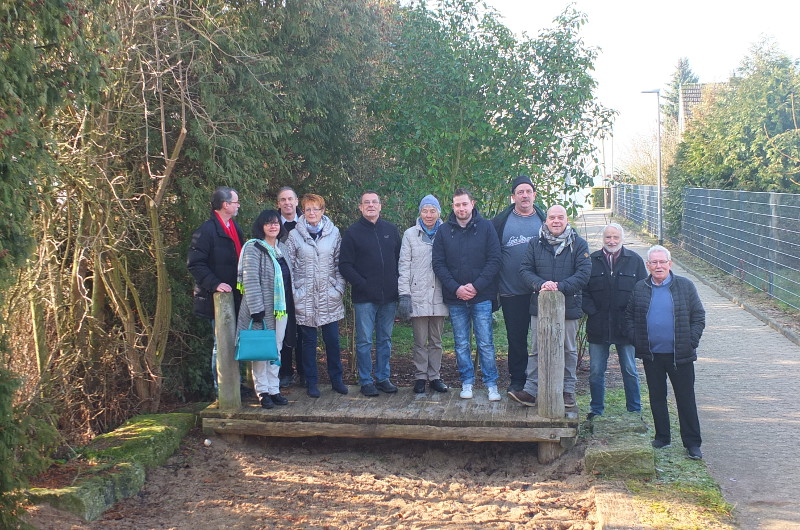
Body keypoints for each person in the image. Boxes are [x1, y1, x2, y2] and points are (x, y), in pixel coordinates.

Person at [625, 245, 706, 460]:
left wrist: (690, 341)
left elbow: (698, 316)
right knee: (657, 397)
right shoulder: (640, 288)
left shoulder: (685, 286)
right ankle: (662, 437)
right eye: (654, 262)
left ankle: (692, 443)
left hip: (680, 355)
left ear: (670, 264)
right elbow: (629, 317)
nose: (658, 266)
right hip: (652, 355)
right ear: (648, 265)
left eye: (662, 262)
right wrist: (637, 340)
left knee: (685, 398)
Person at [509, 205, 591, 409]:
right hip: (540, 305)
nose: (556, 221)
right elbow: (525, 269)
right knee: (537, 348)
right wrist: (540, 284)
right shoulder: (535, 244)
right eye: (552, 217)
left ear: (566, 220)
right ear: (545, 220)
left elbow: (584, 273)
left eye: (560, 217)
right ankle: (531, 390)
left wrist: (560, 287)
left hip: (569, 306)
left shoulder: (579, 244)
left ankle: (567, 391)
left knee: (568, 349)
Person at [432, 188, 502, 401]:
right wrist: (456, 288)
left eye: (464, 204)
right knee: (461, 343)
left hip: (481, 296)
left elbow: (494, 260)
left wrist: (476, 286)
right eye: (457, 205)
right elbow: (438, 264)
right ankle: (467, 382)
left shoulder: (486, 227)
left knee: (486, 342)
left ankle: (491, 384)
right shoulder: (444, 231)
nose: (461, 208)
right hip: (456, 298)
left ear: (472, 204)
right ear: (452, 207)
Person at [284, 194, 349, 398]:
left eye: (316, 209)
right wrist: (295, 292)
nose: (312, 213)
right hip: (305, 297)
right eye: (308, 209)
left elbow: (340, 263)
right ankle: (312, 382)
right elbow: (289, 266)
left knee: (332, 341)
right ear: (303, 211)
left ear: (323, 211)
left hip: (329, 296)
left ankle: (336, 380)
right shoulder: (294, 235)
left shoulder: (334, 233)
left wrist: (338, 287)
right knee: (308, 343)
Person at [339, 191, 402, 397]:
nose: (371, 205)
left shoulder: (391, 230)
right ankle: (366, 380)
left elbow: (399, 259)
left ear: (380, 206)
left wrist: (396, 283)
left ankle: (383, 378)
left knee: (385, 339)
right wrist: (363, 284)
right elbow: (345, 265)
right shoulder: (353, 232)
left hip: (389, 296)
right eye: (366, 202)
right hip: (364, 297)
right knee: (364, 340)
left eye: (374, 202)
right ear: (360, 207)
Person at [583, 223, 646, 420]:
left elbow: (643, 290)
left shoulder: (634, 260)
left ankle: (634, 410)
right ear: (603, 239)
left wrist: (632, 317)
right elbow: (582, 291)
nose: (611, 241)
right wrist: (592, 311)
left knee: (629, 369)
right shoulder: (591, 260)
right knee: (595, 371)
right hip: (598, 326)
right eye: (608, 237)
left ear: (622, 239)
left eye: (615, 237)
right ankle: (596, 410)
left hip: (625, 327)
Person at [491, 175, 546, 392]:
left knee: (543, 338)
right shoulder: (501, 222)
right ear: (513, 197)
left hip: (541, 292)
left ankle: (542, 380)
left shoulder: (545, 219)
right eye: (520, 192)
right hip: (511, 292)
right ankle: (517, 380)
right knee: (516, 340)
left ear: (534, 194)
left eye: (528, 191)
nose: (524, 195)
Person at [187, 186, 244, 392]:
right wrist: (215, 284)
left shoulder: (234, 228)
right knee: (220, 344)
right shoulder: (206, 231)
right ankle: (222, 390)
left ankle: (237, 384)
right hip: (215, 299)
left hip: (235, 296)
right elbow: (195, 263)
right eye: (236, 202)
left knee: (236, 342)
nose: (238, 205)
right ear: (225, 205)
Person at [236, 209, 291, 409]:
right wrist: (256, 309)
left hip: (280, 309)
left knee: (275, 349)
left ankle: (275, 389)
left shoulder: (282, 249)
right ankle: (263, 392)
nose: (273, 226)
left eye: (276, 222)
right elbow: (250, 280)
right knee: (261, 351)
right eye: (268, 223)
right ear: (261, 226)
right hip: (260, 310)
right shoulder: (253, 248)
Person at [397, 195, 449, 394]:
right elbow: (404, 265)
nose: (429, 215)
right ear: (420, 212)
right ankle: (420, 376)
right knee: (420, 340)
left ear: (439, 212)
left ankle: (435, 376)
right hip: (417, 294)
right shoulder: (410, 234)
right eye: (425, 211)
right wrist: (404, 294)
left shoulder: (446, 232)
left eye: (432, 211)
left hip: (439, 293)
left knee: (436, 340)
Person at [275, 186, 304, 389]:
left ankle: (305, 372)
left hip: (305, 286)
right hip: (280, 287)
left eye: (290, 199)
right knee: (282, 331)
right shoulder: (271, 225)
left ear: (296, 201)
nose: (287, 203)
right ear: (278, 204)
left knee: (304, 330)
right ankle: (285, 371)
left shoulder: (308, 223)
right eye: (283, 200)